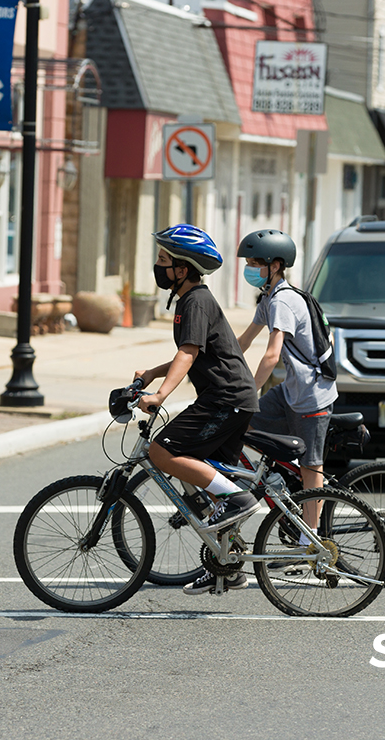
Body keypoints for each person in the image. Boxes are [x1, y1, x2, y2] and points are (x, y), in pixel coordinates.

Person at [133, 224, 260, 595]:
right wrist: (152, 373)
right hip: (231, 398)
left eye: (163, 259)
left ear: (182, 268)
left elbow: (188, 352)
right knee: (207, 481)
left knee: (162, 451)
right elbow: (193, 351)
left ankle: (238, 500)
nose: (158, 266)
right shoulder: (191, 300)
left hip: (225, 398)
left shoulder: (195, 301)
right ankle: (228, 565)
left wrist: (160, 394)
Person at [235, 229, 338, 546]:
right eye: (248, 262)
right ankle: (283, 476)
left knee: (311, 465)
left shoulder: (283, 301)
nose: (250, 268)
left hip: (312, 395)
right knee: (240, 424)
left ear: (276, 265)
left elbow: (271, 354)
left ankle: (311, 537)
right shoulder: (269, 298)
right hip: (290, 390)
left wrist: (248, 393)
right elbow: (244, 341)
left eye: (255, 263)